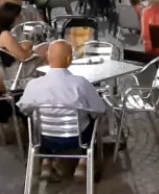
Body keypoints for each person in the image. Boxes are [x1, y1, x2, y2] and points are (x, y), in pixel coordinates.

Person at [17, 40, 108, 180]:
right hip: (76, 139)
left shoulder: (33, 85)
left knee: (38, 122)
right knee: (92, 120)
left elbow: (23, 109)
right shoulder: (81, 84)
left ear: (48, 57)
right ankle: (82, 164)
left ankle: (46, 162)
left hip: (44, 139)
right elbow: (100, 110)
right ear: (69, 59)